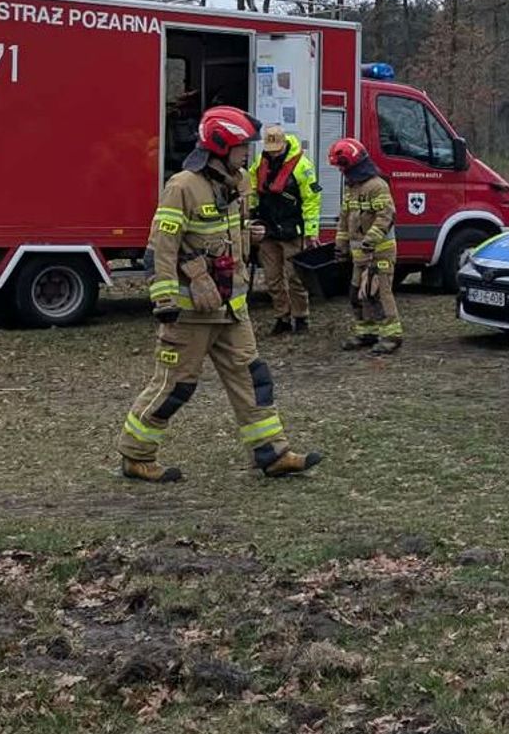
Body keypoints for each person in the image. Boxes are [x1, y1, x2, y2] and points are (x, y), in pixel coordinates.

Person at [118, 104, 323, 483]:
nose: (249, 153)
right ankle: (136, 455)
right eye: (243, 146)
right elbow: (161, 247)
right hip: (190, 312)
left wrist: (251, 235)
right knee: (175, 386)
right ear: (220, 147)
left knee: (253, 379)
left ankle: (272, 453)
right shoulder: (183, 186)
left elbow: (230, 232)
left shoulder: (239, 181)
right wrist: (164, 301)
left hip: (232, 308)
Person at [328, 137, 403, 355]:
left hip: (380, 251)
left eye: (342, 165)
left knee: (379, 293)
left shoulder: (377, 186)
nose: (341, 170)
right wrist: (340, 246)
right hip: (359, 254)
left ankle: (392, 336)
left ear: (354, 163)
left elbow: (386, 216)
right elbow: (345, 219)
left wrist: (370, 240)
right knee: (356, 294)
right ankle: (366, 332)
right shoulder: (353, 188)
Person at [250, 125, 322, 336]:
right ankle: (282, 317)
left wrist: (311, 231)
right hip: (268, 229)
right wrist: (252, 217)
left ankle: (301, 317)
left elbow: (311, 200)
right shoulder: (260, 162)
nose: (273, 152)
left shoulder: (302, 165)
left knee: (295, 277)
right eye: (270, 149)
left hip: (293, 229)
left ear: (284, 144)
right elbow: (255, 190)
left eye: (276, 149)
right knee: (273, 279)